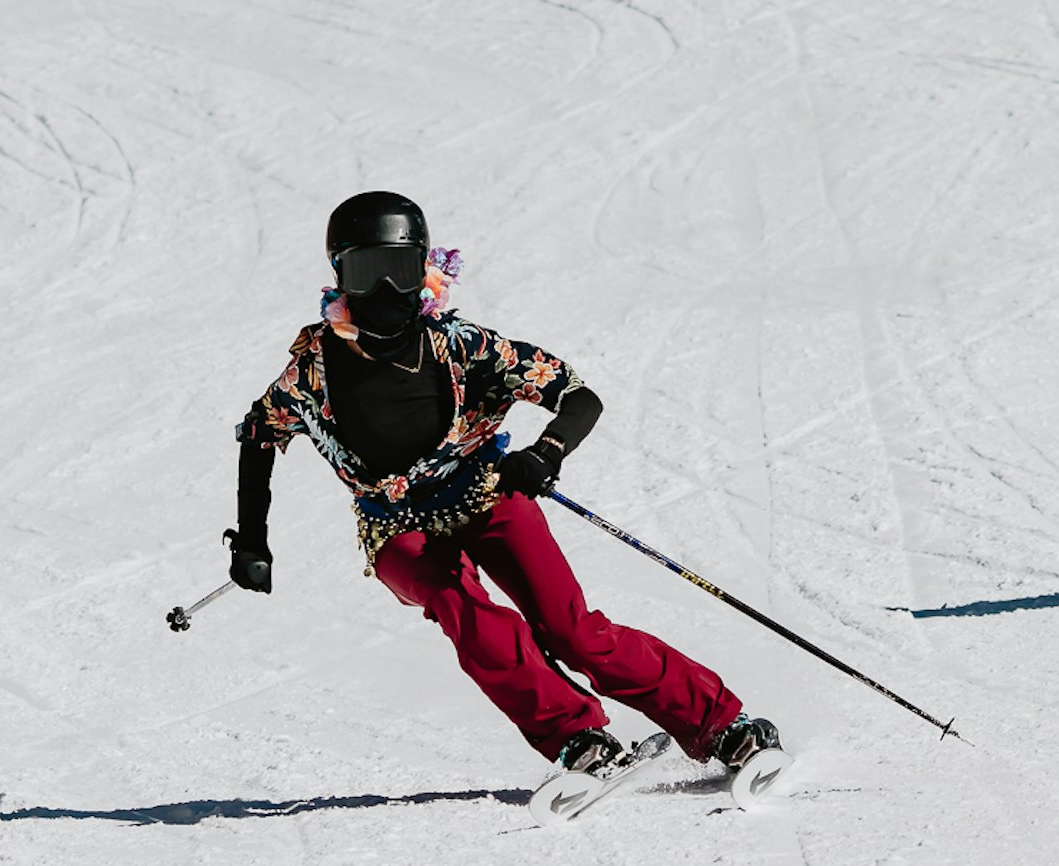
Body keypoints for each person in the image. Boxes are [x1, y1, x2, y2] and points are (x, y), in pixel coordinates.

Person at [227, 191, 780, 780]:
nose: (388, 292)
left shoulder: (465, 349)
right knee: (464, 610)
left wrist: (546, 451)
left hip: (486, 493)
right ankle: (576, 736)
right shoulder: (313, 370)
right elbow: (258, 435)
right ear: (340, 277)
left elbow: (577, 396)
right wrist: (251, 540)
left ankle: (720, 725)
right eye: (368, 272)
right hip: (394, 524)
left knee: (573, 632)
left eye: (402, 270)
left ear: (426, 269)